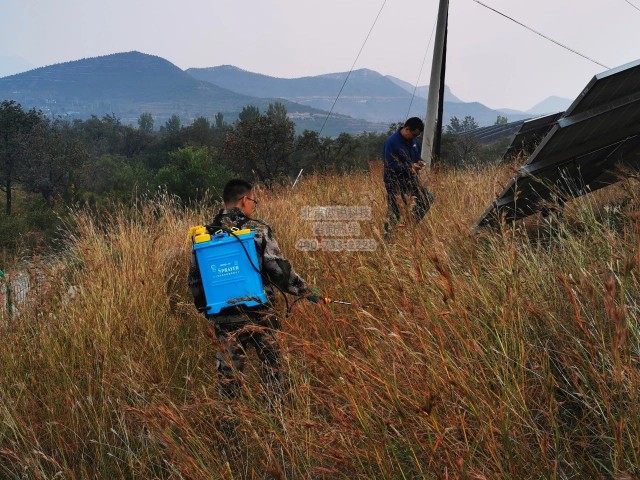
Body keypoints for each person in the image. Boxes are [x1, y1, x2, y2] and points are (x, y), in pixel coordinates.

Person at [188, 178, 319, 399]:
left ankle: (230, 425)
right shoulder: (258, 230)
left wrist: (208, 310)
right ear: (244, 200)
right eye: (253, 202)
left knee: (229, 377)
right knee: (273, 367)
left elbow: (194, 280)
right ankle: (275, 416)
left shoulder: (204, 235)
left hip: (224, 317)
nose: (253, 206)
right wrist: (307, 292)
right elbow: (278, 270)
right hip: (260, 313)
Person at [383, 117, 435, 241]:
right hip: (395, 181)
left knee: (427, 199)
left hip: (411, 180)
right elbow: (389, 165)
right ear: (406, 129)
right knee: (395, 211)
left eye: (417, 135)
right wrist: (409, 167)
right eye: (413, 134)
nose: (414, 138)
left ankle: (409, 226)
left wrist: (420, 163)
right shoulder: (391, 142)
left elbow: (416, 157)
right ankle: (387, 240)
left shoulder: (413, 142)